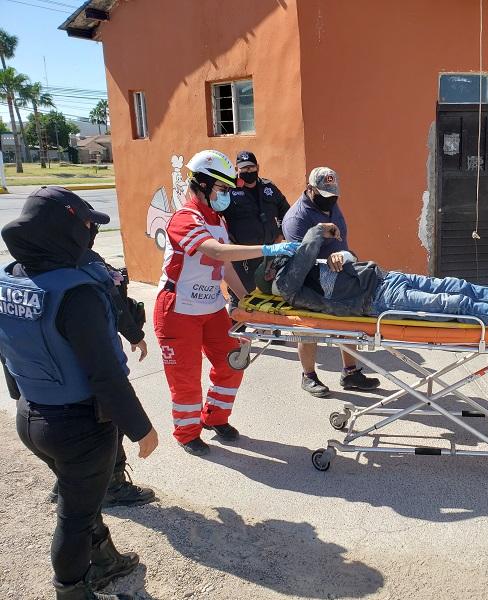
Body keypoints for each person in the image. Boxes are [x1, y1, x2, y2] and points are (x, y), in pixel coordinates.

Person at [0, 186, 159, 599]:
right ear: (64, 229)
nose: (90, 231)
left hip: (30, 415)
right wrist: (141, 428)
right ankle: (71, 589)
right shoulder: (76, 293)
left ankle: (104, 560)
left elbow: (8, 350)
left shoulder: (11, 278)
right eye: (85, 224)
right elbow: (105, 373)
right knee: (74, 516)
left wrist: (19, 394)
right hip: (79, 427)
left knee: (82, 500)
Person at [153, 150, 299, 456]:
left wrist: (248, 302)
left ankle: (215, 417)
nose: (226, 196)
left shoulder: (217, 219)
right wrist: (268, 250)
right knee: (186, 378)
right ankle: (187, 432)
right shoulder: (184, 219)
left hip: (211, 308)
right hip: (177, 311)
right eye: (221, 189)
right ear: (203, 185)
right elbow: (217, 253)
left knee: (233, 360)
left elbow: (226, 268)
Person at [40, 213, 156, 507]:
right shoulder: (90, 265)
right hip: (94, 362)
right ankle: (113, 485)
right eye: (88, 225)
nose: (91, 230)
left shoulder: (32, 262)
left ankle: (64, 481)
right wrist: (134, 334)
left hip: (50, 371)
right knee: (109, 421)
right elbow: (115, 305)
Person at [255, 222, 488, 326]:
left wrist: (343, 254)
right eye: (275, 255)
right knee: (454, 304)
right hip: (378, 299)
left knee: (456, 286)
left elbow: (351, 260)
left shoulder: (305, 267)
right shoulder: (287, 285)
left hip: (385, 278)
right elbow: (305, 252)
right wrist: (319, 230)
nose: (282, 250)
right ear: (271, 273)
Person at [281, 167, 380, 397]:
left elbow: (341, 240)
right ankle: (308, 376)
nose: (331, 201)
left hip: (341, 274)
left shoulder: (331, 204)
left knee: (349, 323)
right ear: (310, 190)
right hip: (313, 283)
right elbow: (299, 265)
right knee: (309, 327)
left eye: (334, 196)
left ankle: (350, 373)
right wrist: (326, 258)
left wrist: (344, 257)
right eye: (325, 196)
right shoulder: (297, 219)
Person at [222, 151, 290, 295]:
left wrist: (280, 235)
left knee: (270, 295)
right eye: (244, 168)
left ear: (257, 167)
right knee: (243, 297)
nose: (248, 171)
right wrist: (227, 242)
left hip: (270, 256)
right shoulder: (228, 191)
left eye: (251, 167)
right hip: (243, 257)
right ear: (236, 169)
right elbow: (216, 218)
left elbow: (287, 213)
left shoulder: (269, 187)